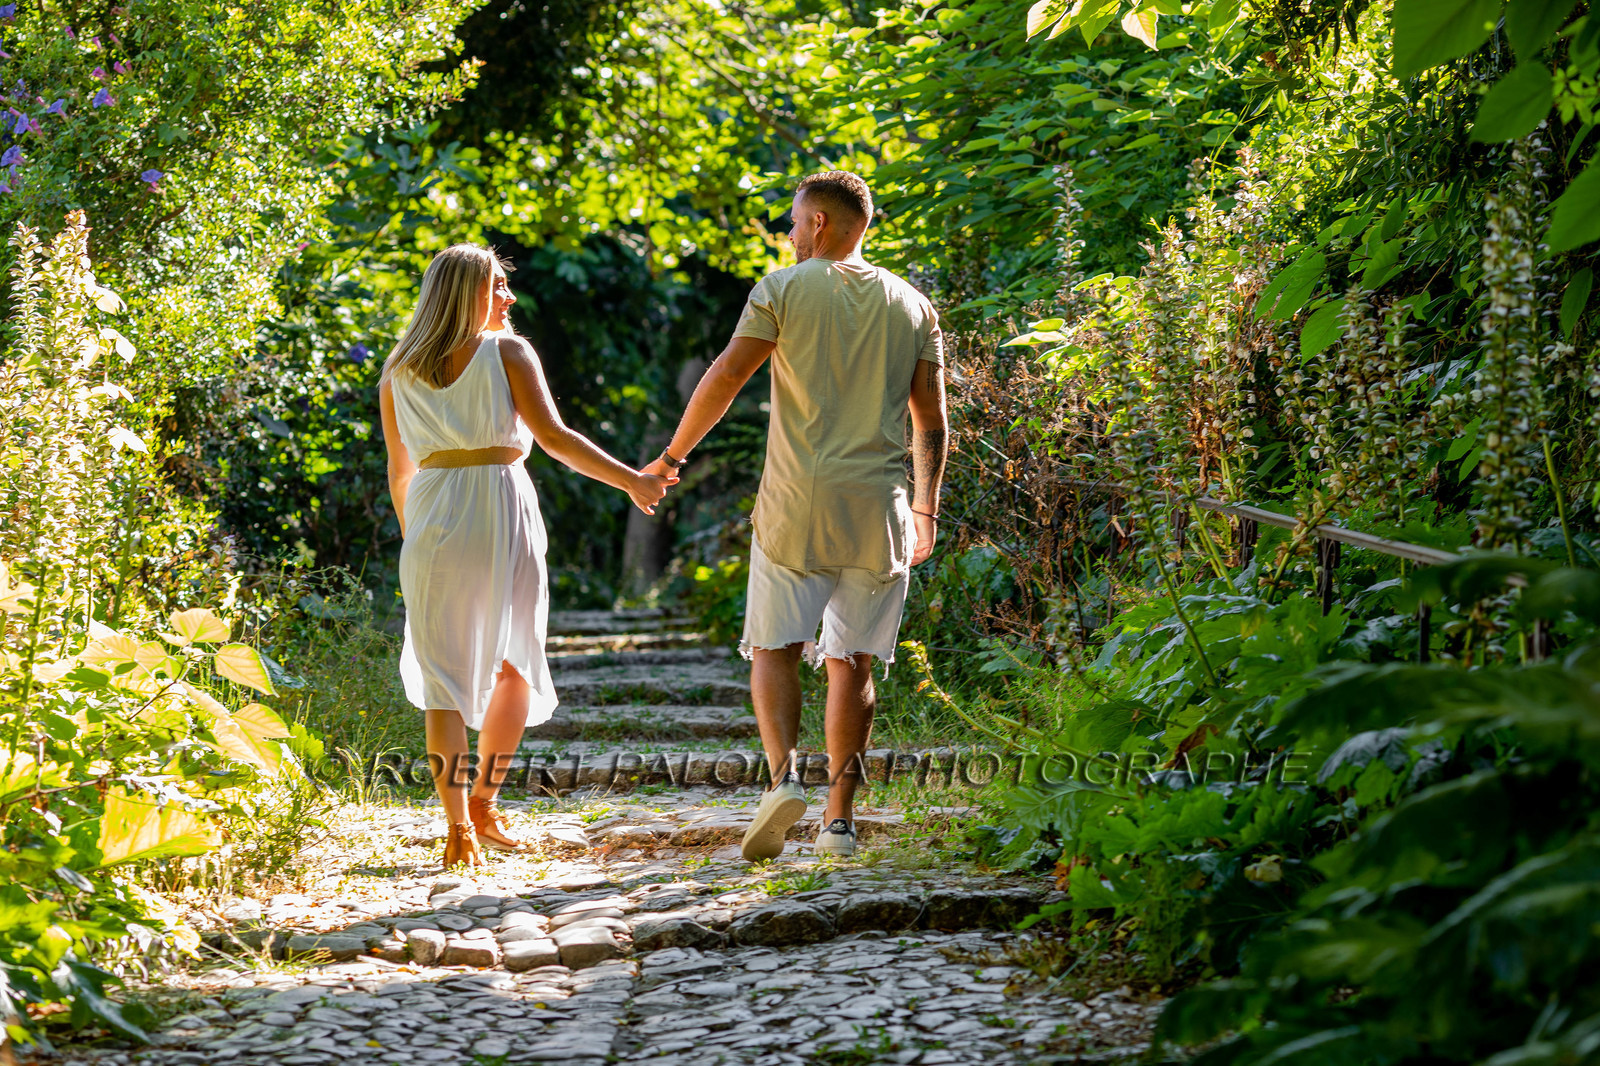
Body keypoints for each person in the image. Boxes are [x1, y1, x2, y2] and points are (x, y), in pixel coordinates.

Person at [645, 171, 948, 860]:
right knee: (856, 663)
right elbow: (931, 422)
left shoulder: (782, 289)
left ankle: (782, 779)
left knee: (776, 644)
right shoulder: (913, 305)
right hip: (881, 506)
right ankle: (839, 821)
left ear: (818, 224)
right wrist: (927, 506)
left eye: (791, 221)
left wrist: (670, 457)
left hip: (795, 502)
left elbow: (725, 376)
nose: (786, 234)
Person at [379, 244, 674, 868]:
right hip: (501, 508)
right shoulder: (509, 351)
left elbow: (398, 473)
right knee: (514, 659)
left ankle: (458, 826)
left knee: (445, 683)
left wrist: (417, 539)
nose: (509, 298)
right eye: (497, 286)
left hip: (431, 521)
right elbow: (557, 440)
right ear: (467, 294)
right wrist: (633, 480)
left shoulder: (396, 369)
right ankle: (482, 803)